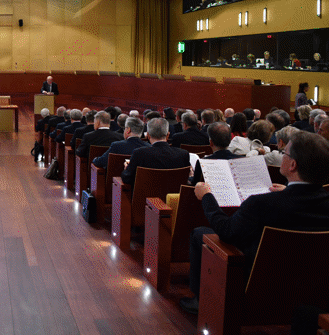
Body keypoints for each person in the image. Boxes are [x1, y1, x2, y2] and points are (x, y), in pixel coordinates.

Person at [179, 131, 329, 315]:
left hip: (260, 286)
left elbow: (226, 231)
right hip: (317, 291)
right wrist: (286, 192)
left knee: (199, 233)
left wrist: (207, 197)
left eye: (285, 153)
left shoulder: (261, 204)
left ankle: (200, 301)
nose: (282, 156)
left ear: (293, 165)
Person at [121, 118, 190, 187]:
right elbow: (187, 180)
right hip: (174, 197)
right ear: (168, 135)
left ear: (148, 135)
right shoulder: (184, 154)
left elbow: (127, 178)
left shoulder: (139, 153)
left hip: (144, 197)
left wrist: (127, 169)